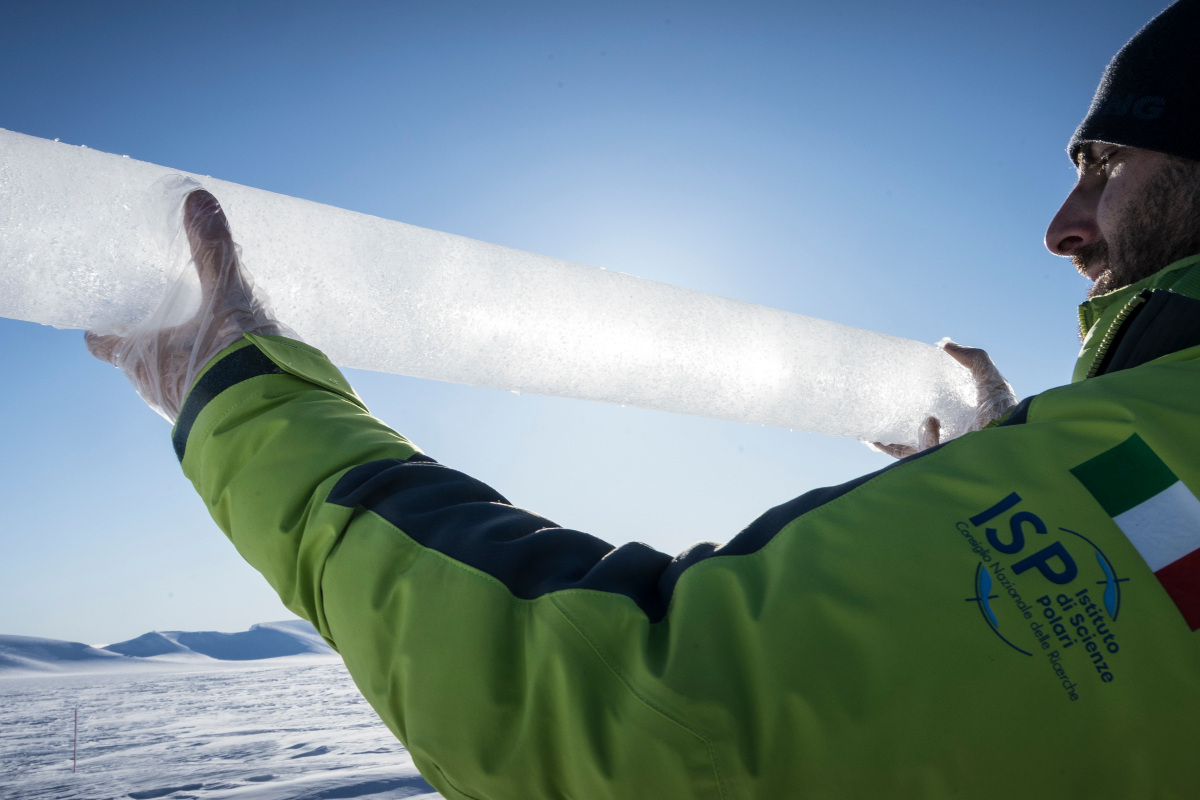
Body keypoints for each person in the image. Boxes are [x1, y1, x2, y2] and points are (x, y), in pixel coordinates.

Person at [87, 2, 1200, 798]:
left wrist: (237, 394)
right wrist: (1027, 465)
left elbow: (627, 730)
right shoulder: (1151, 447)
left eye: (1110, 161)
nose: (1063, 222)